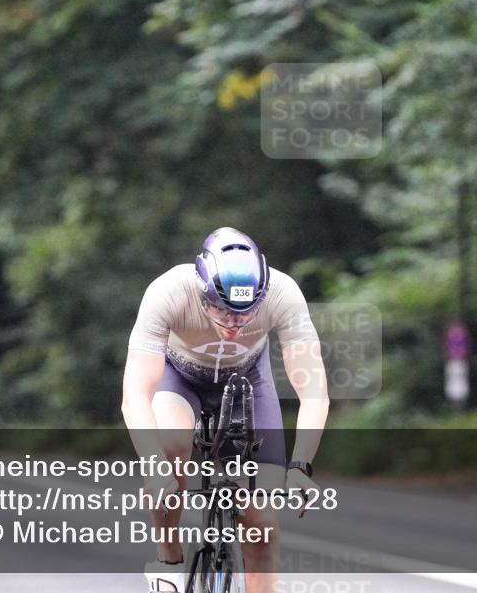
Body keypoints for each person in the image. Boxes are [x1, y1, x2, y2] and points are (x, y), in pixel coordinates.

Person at [122, 227, 329, 593]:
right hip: (180, 376)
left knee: (263, 526)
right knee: (170, 443)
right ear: (202, 292)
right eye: (223, 310)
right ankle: (168, 557)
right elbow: (136, 394)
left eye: (247, 312)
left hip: (247, 380)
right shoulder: (168, 292)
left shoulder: (283, 294)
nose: (234, 324)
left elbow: (314, 392)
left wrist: (300, 466)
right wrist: (154, 466)